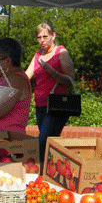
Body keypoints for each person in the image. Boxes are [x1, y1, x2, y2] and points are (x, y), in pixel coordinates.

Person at [25, 22, 75, 171]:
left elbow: (70, 80)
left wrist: (51, 71)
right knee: (48, 144)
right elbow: (26, 77)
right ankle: (53, 173)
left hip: (56, 105)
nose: (42, 40)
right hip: (40, 105)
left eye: (45, 36)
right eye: (39, 37)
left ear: (53, 36)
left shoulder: (61, 53)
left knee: (42, 142)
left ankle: (39, 177)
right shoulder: (38, 56)